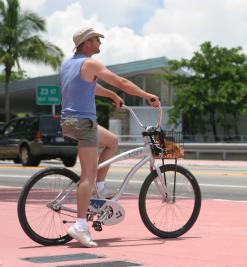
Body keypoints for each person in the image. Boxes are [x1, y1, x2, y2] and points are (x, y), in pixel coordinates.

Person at [60, 26, 160, 247]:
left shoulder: (68, 64)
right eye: (96, 40)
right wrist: (146, 96)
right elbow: (121, 82)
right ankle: (80, 226)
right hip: (83, 122)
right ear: (86, 43)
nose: (100, 44)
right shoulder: (91, 63)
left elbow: (87, 88)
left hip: (69, 121)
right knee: (87, 174)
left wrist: (111, 94)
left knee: (112, 141)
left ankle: (101, 187)